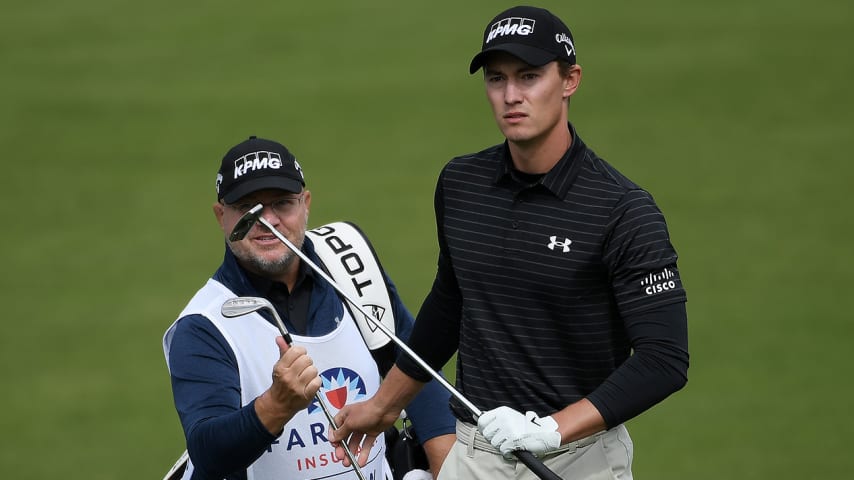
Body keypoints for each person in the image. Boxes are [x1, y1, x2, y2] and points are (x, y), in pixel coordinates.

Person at [330, 6, 689, 479]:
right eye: (497, 79)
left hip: (581, 459)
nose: (511, 96)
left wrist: (551, 430)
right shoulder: (461, 183)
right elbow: (451, 302)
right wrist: (383, 405)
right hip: (476, 456)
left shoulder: (622, 211)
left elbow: (664, 360)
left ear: (570, 80)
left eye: (529, 76)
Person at [162, 136, 456, 480]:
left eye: (282, 204)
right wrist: (275, 406)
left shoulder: (348, 262)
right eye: (247, 208)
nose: (267, 220)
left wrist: (446, 466)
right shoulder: (204, 324)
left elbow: (413, 365)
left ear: (306, 204)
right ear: (221, 216)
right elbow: (208, 452)